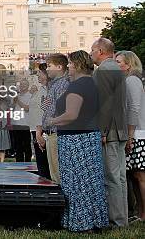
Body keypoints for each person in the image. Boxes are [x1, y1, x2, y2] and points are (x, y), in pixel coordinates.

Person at [50, 50, 108, 232]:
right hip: (89, 137)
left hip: (75, 141)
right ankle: (95, 221)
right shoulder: (93, 83)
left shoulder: (77, 86)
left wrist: (51, 121)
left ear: (77, 64)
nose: (68, 66)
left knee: (76, 183)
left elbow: (71, 115)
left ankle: (81, 223)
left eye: (70, 63)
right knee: (91, 182)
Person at [91, 38, 128, 227]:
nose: (90, 55)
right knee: (120, 176)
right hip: (120, 128)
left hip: (110, 129)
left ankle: (117, 220)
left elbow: (105, 104)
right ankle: (122, 216)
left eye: (92, 51)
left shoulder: (104, 71)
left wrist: (103, 131)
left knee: (112, 177)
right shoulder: (118, 70)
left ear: (100, 51)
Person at [116, 50, 145, 220]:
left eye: (119, 61)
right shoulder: (127, 80)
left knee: (140, 175)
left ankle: (143, 213)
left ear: (128, 64)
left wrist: (130, 135)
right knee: (134, 175)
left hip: (138, 133)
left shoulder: (132, 80)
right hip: (135, 132)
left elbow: (134, 108)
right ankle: (139, 212)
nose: (116, 64)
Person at [42, 53, 70, 183]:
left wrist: (48, 120)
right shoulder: (55, 84)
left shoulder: (62, 84)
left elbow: (59, 109)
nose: (47, 69)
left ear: (59, 67)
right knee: (55, 173)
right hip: (52, 132)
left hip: (57, 132)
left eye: (49, 66)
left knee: (58, 175)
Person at [31, 64, 50, 178]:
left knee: (44, 163)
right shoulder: (40, 89)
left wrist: (39, 132)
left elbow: (44, 111)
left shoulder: (47, 90)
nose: (38, 75)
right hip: (35, 128)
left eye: (40, 73)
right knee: (41, 162)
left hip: (41, 130)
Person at [12, 79, 33, 162]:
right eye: (21, 85)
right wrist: (14, 102)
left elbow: (27, 108)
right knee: (18, 145)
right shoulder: (17, 95)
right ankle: (19, 163)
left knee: (26, 145)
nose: (22, 86)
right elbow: (12, 107)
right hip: (16, 123)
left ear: (27, 86)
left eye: (24, 85)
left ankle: (28, 162)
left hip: (25, 123)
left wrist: (18, 101)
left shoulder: (30, 95)